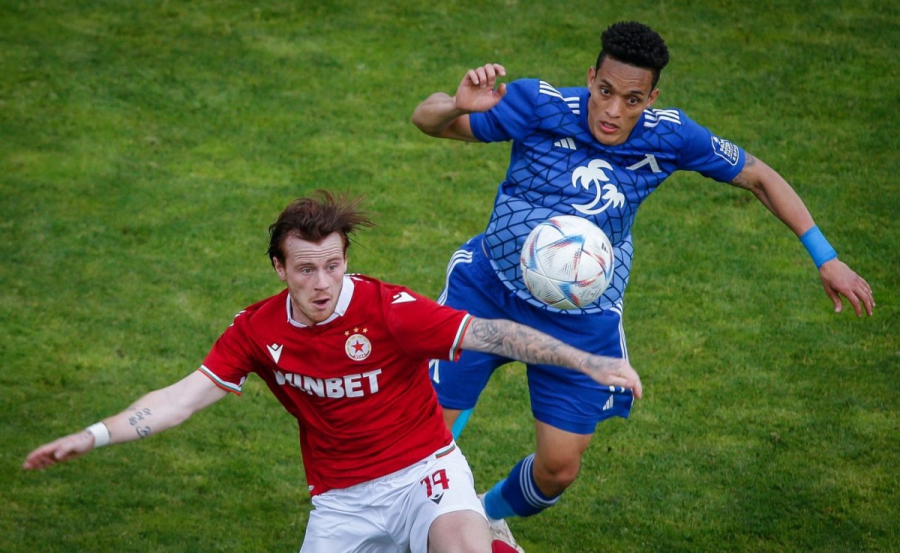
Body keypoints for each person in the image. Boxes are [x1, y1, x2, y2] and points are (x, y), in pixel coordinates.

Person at [411, 20, 875, 548]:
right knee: (426, 435)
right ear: (591, 77)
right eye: (605, 91)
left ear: (651, 99)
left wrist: (826, 258)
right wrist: (456, 105)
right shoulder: (538, 105)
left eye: (631, 100)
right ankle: (411, 526)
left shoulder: (671, 137)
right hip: (488, 290)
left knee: (559, 469)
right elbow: (428, 120)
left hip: (581, 319)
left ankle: (486, 513)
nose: (613, 110)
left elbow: (760, 177)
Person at [23, 190, 643, 553]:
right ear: (279, 268)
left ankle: (490, 535)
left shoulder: (389, 309)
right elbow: (179, 400)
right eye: (305, 269)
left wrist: (589, 361)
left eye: (332, 266)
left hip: (425, 474)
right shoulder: (257, 331)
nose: (321, 284)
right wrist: (92, 435)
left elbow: (493, 333)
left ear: (345, 258)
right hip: (342, 502)